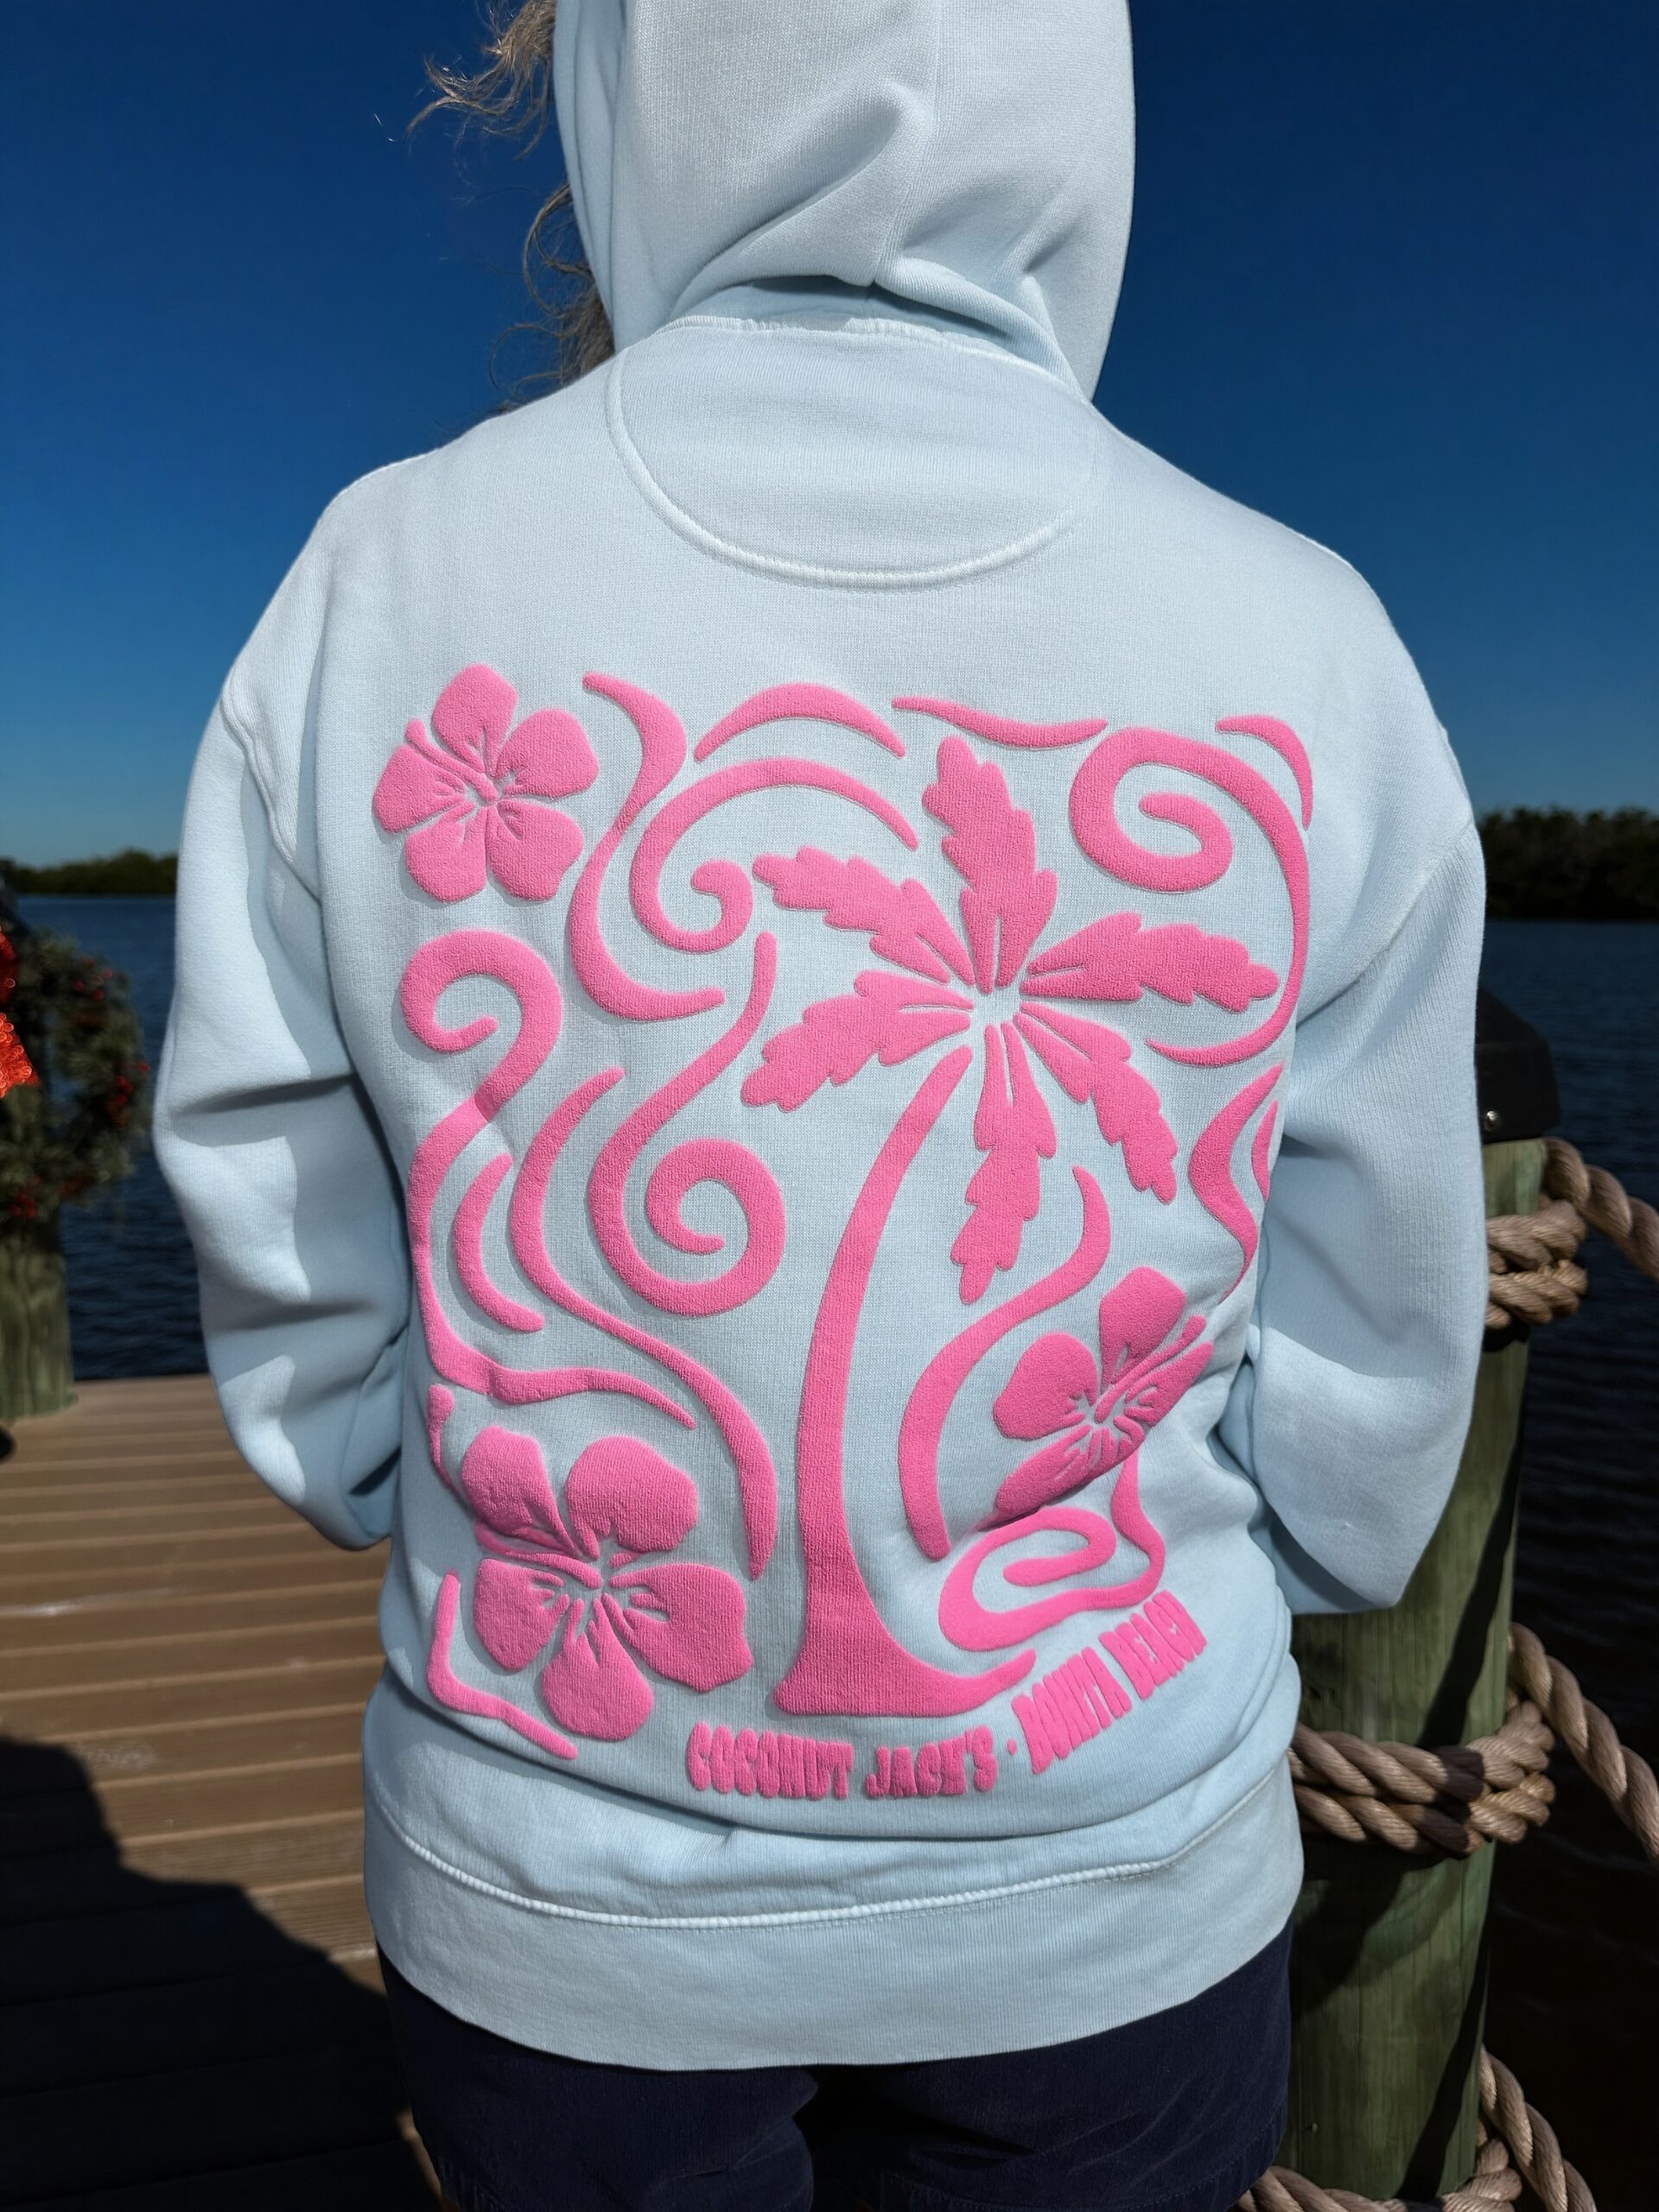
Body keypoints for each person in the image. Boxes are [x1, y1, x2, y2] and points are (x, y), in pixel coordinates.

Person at [156, 3, 1488, 2206]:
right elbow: (1379, 1321)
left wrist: (400, 1463)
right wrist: (1255, 1552)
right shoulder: (1309, 636)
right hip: (1115, 1877)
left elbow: (270, 1165)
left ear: (631, 76)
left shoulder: (385, 577)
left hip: (559, 1880)